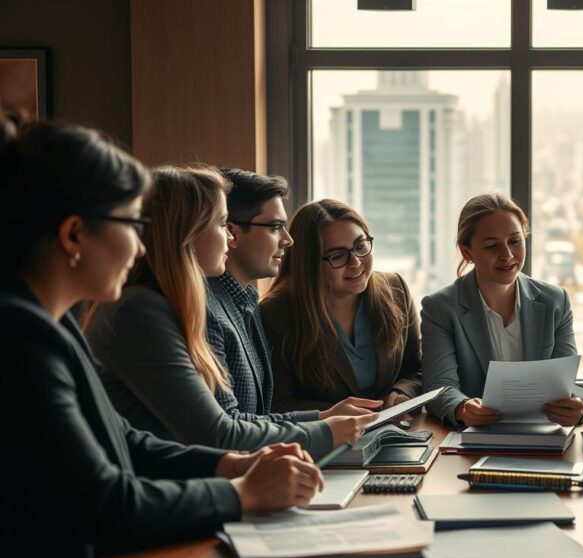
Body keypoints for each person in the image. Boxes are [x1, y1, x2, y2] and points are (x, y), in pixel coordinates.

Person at [0, 117, 324, 558]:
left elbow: (125, 441)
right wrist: (242, 494)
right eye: (133, 223)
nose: (140, 244)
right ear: (74, 236)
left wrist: (228, 463)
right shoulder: (20, 339)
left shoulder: (54, 326)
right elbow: (107, 504)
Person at [83, 165, 375, 461]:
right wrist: (325, 430)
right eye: (222, 224)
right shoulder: (144, 311)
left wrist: (321, 418)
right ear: (189, 232)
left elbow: (241, 419)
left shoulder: (216, 299)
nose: (229, 237)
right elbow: (218, 433)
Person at [209, 168, 381, 422]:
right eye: (275, 227)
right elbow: (228, 428)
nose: (288, 240)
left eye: (360, 246)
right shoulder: (213, 311)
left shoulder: (246, 299)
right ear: (232, 233)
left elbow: (255, 415)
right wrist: (323, 421)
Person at [421, 192, 582, 427]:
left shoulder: (555, 301)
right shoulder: (440, 308)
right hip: (474, 439)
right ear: (467, 252)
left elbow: (566, 387)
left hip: (543, 435)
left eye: (515, 241)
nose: (507, 255)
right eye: (491, 245)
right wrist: (462, 408)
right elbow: (439, 387)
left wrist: (574, 410)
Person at [261, 199, 423, 411]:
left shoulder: (396, 289)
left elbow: (416, 370)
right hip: (321, 440)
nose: (355, 262)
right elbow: (278, 404)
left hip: (394, 433)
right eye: (337, 256)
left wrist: (402, 391)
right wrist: (334, 414)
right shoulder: (275, 314)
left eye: (360, 246)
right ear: (309, 264)